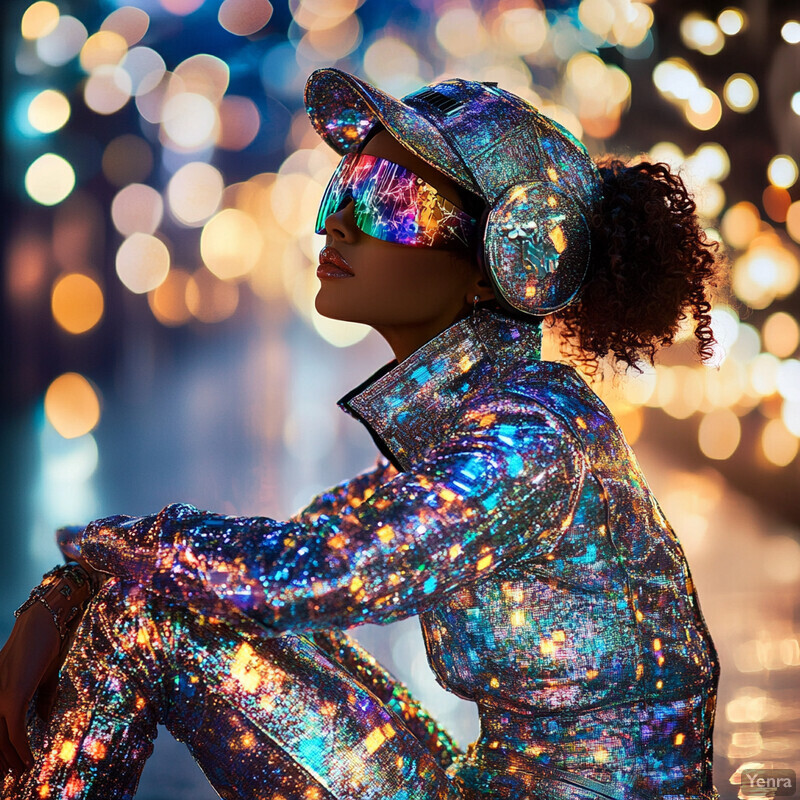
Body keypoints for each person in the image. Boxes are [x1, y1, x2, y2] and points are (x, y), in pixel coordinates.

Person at [0, 68, 721, 800]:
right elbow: (297, 544)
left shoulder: (528, 441)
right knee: (147, 600)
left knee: (143, 620)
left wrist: (103, 549)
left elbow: (315, 573)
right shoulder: (481, 423)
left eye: (393, 201)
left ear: (510, 258)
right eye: (347, 184)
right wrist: (76, 583)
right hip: (492, 783)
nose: (336, 223)